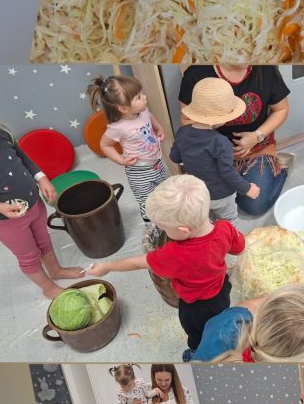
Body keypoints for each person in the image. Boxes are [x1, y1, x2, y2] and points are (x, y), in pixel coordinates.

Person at [89, 174, 245, 361]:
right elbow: (240, 248)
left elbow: (137, 263)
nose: (165, 232)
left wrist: (107, 266)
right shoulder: (225, 228)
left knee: (197, 333)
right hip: (222, 290)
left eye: (166, 229)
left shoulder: (175, 254)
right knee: (219, 322)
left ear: (184, 230)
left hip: (195, 306)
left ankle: (197, 352)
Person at [0, 90, 84, 298]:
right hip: (7, 221)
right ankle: (48, 288)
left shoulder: (1, 134)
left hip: (34, 204)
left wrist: (42, 178)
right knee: (29, 256)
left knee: (44, 241)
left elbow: (23, 157)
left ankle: (56, 270)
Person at [178, 65, 290, 215]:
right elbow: (186, 120)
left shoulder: (266, 69)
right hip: (212, 155)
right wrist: (214, 133)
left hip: (255, 150)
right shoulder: (196, 73)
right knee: (205, 199)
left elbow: (281, 109)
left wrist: (256, 136)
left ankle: (279, 170)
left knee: (254, 205)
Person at [170, 77, 260, 224]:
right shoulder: (220, 142)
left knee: (209, 221)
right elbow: (228, 172)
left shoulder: (182, 133)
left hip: (198, 193)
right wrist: (247, 188)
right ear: (220, 118)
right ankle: (229, 238)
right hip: (221, 195)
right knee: (228, 221)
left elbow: (174, 157)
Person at [88, 75, 167, 223]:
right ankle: (151, 226)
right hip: (139, 171)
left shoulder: (143, 111)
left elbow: (150, 117)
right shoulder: (117, 127)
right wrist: (121, 160)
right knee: (147, 201)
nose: (144, 97)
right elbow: (105, 145)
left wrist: (158, 128)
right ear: (123, 108)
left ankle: (165, 217)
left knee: (162, 193)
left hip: (157, 163)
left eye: (141, 93)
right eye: (138, 97)